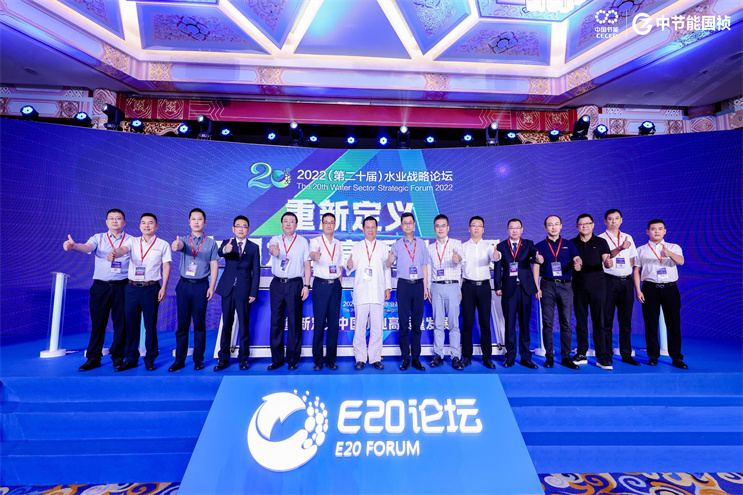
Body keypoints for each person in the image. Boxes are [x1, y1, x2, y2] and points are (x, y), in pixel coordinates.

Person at [62, 209, 129, 371]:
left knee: (121, 323)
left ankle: (118, 356)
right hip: (101, 286)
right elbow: (86, 247)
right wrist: (74, 246)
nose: (115, 221)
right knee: (98, 323)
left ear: (124, 222)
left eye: (118, 218)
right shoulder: (98, 238)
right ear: (106, 222)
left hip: (123, 286)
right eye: (111, 218)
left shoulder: (131, 240)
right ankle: (93, 357)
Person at [109, 213, 171, 371]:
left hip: (151, 288)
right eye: (143, 223)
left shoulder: (163, 244)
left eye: (150, 223)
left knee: (150, 325)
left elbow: (166, 266)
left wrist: (164, 287)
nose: (146, 226)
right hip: (131, 288)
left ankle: (150, 358)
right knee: (131, 324)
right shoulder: (132, 241)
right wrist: (115, 253)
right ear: (139, 226)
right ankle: (131, 358)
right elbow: (123, 250)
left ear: (156, 226)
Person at [169, 208, 219, 372]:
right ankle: (179, 360)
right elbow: (179, 246)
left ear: (205, 222)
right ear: (189, 222)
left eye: (200, 219)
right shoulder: (183, 240)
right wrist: (176, 245)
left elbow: (214, 265)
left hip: (201, 286)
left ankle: (198, 359)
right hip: (184, 285)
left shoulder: (211, 243)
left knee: (199, 324)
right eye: (193, 219)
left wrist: (212, 286)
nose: (196, 222)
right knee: (182, 324)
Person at [633, 219, 687, 369]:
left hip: (670, 288)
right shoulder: (641, 250)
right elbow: (636, 271)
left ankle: (676, 357)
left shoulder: (673, 247)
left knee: (674, 323)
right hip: (649, 288)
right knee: (650, 323)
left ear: (665, 231)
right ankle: (653, 356)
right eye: (653, 229)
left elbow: (681, 261)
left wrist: (669, 254)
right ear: (647, 232)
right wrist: (638, 290)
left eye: (660, 228)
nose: (656, 231)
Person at [533, 215, 581, 370]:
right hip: (547, 286)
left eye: (556, 224)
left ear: (561, 226)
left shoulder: (569, 244)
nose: (553, 227)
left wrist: (578, 263)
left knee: (566, 323)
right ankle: (549, 357)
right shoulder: (539, 246)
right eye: (550, 225)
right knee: (547, 323)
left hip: (566, 286)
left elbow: (577, 258)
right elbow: (536, 267)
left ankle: (566, 357)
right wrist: (536, 287)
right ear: (545, 227)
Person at [214, 215, 260, 371]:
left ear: (249, 229)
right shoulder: (227, 243)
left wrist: (253, 292)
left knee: (244, 324)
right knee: (226, 324)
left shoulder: (253, 247)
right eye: (238, 226)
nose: (241, 229)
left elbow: (256, 271)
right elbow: (220, 253)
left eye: (244, 226)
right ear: (233, 229)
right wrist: (224, 250)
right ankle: (223, 359)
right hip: (228, 289)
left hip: (244, 291)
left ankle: (243, 359)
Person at [494, 218, 541, 369]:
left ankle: (526, 357)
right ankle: (510, 356)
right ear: (507, 230)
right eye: (511, 228)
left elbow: (535, 254)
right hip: (508, 289)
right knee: (509, 323)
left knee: (525, 324)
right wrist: (497, 286)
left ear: (522, 230)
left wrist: (538, 257)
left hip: (525, 289)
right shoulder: (501, 246)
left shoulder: (528, 244)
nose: (514, 230)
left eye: (517, 228)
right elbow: (497, 267)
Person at [267, 212, 311, 371]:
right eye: (285, 221)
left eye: (291, 221)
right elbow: (272, 249)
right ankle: (277, 359)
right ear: (281, 224)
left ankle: (293, 359)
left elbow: (307, 264)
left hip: (295, 284)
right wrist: (274, 251)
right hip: (277, 284)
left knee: (294, 322)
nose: (288, 224)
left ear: (296, 225)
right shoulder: (275, 239)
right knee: (276, 322)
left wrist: (307, 285)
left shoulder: (303, 242)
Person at [346, 216, 391, 370]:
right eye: (367, 227)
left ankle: (374, 358)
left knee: (377, 327)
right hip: (362, 291)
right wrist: (349, 265)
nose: (370, 230)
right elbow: (350, 267)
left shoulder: (383, 247)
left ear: (377, 229)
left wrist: (388, 287)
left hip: (377, 291)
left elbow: (387, 268)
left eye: (373, 227)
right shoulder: (357, 247)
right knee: (360, 327)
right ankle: (360, 358)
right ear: (363, 229)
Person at [387, 212, 430, 371]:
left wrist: (425, 287)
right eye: (405, 223)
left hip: (418, 285)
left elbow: (424, 266)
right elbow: (388, 264)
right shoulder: (397, 245)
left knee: (417, 324)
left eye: (410, 222)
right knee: (403, 324)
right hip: (403, 286)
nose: (408, 225)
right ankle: (405, 358)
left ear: (414, 224)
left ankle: (416, 359)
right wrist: (390, 260)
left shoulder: (422, 244)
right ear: (401, 225)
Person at [571, 214, 613, 369]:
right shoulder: (571, 243)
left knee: (599, 321)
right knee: (581, 322)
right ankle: (581, 353)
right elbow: (568, 263)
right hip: (578, 287)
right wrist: (574, 265)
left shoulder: (601, 242)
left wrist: (608, 263)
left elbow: (606, 261)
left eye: (587, 223)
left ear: (593, 225)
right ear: (577, 227)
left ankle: (601, 356)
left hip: (598, 288)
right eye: (581, 224)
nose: (584, 226)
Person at [600, 209, 640, 366]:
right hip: (608, 281)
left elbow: (631, 260)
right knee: (607, 320)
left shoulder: (628, 237)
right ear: (605, 221)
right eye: (610, 219)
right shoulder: (601, 239)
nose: (613, 221)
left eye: (616, 218)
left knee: (626, 320)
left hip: (626, 282)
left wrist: (625, 273)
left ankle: (626, 354)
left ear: (621, 220)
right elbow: (603, 259)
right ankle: (606, 354)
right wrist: (620, 249)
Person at [460, 216, 500, 369]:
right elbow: (458, 267)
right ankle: (467, 356)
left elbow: (495, 256)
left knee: (485, 323)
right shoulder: (463, 247)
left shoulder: (489, 246)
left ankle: (487, 357)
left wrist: (496, 256)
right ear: (469, 228)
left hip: (484, 288)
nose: (476, 228)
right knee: (467, 323)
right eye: (473, 225)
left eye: (479, 226)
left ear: (483, 229)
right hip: (468, 287)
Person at [426, 214, 465, 370]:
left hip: (452, 286)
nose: (440, 228)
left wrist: (458, 258)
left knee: (454, 324)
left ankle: (456, 356)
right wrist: (429, 288)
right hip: (436, 287)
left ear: (448, 228)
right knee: (438, 323)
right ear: (434, 228)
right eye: (437, 226)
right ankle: (438, 355)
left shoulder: (456, 244)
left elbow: (463, 260)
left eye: (443, 226)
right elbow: (429, 269)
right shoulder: (430, 248)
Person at [309, 213, 343, 371]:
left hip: (335, 286)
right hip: (320, 285)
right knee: (319, 323)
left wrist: (339, 284)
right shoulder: (315, 241)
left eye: (331, 222)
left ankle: (331, 360)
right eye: (326, 222)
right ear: (322, 224)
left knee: (334, 324)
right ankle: (318, 360)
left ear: (335, 225)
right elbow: (312, 255)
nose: (329, 225)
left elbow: (340, 265)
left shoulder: (339, 244)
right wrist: (315, 255)